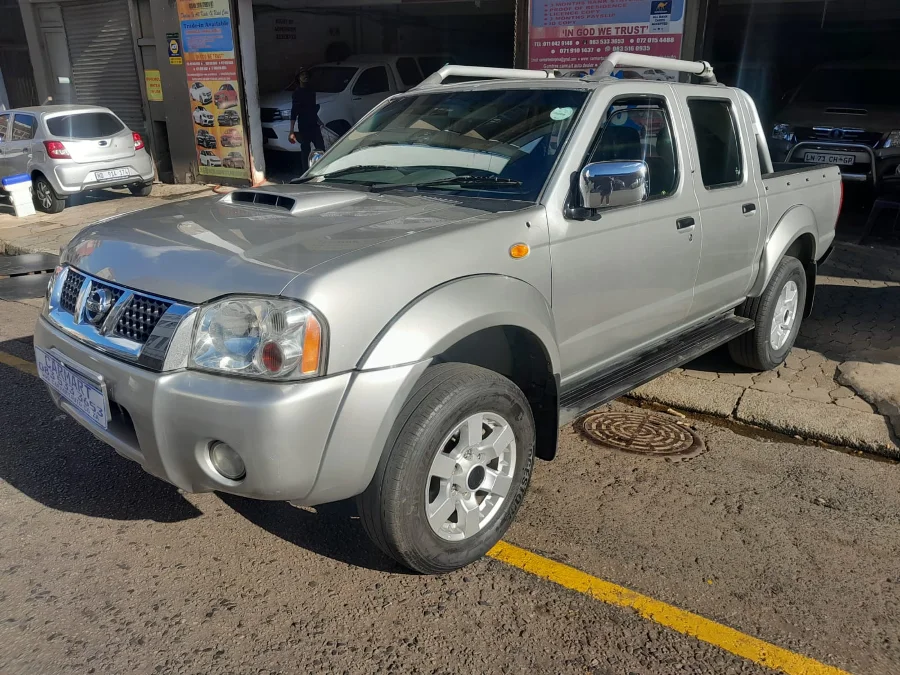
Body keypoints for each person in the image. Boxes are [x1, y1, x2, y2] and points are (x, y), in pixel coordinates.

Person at [288, 69, 324, 173]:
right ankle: (305, 172)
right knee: (305, 149)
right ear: (298, 78)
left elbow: (312, 108)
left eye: (306, 74)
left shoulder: (311, 91)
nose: (305, 76)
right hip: (304, 125)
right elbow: (294, 112)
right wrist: (291, 131)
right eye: (302, 75)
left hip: (314, 124)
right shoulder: (297, 93)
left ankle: (320, 169)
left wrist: (319, 120)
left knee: (320, 147)